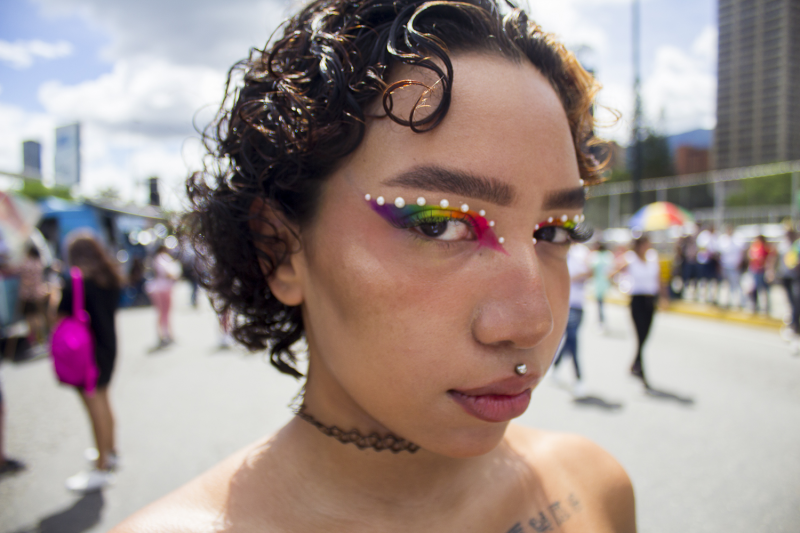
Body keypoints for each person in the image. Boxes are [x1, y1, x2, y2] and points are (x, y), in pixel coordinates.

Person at [113, 0, 636, 530]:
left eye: (555, 231)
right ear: (280, 247)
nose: (533, 322)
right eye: (437, 224)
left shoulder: (594, 490)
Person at [58, 234, 122, 492]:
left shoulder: (75, 281)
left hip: (88, 354)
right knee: (104, 400)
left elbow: (59, 316)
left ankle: (101, 466)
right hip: (109, 347)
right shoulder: (109, 277)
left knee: (94, 405)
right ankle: (110, 451)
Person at [610, 236, 662, 388]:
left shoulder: (653, 257)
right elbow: (613, 273)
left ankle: (635, 364)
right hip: (637, 300)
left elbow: (658, 278)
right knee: (640, 335)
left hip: (650, 299)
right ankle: (641, 371)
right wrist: (621, 287)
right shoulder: (630, 258)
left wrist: (663, 296)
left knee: (646, 334)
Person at [552, 243, 590, 398]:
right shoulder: (555, 250)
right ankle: (578, 378)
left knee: (570, 340)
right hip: (563, 304)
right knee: (573, 339)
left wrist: (570, 278)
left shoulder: (581, 252)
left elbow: (589, 271)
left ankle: (555, 365)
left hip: (578, 303)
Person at [146, 245, 180, 347]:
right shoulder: (161, 258)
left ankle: (166, 334)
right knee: (163, 313)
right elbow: (168, 273)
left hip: (164, 287)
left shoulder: (161, 258)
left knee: (165, 313)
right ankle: (163, 335)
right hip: (161, 288)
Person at [17, 245, 49, 353]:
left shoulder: (26, 263)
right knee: (39, 315)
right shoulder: (39, 263)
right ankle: (42, 338)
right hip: (38, 292)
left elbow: (19, 271)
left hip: (27, 294)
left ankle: (34, 339)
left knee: (30, 317)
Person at [716, 225, 746, 309]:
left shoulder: (738, 238)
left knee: (737, 284)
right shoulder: (723, 239)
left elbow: (742, 252)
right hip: (725, 266)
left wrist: (740, 263)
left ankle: (740, 302)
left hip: (734, 266)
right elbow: (719, 253)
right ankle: (727, 302)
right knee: (726, 285)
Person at [590, 240, 615, 331]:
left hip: (600, 283)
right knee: (601, 303)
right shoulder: (607, 255)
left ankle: (601, 320)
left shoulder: (596, 256)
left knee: (600, 303)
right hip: (602, 282)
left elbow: (591, 270)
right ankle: (602, 320)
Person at [747, 235, 774, 314]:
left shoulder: (766, 247)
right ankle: (755, 305)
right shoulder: (754, 247)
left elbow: (770, 258)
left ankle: (767, 307)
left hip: (762, 271)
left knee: (764, 290)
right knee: (754, 289)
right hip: (755, 270)